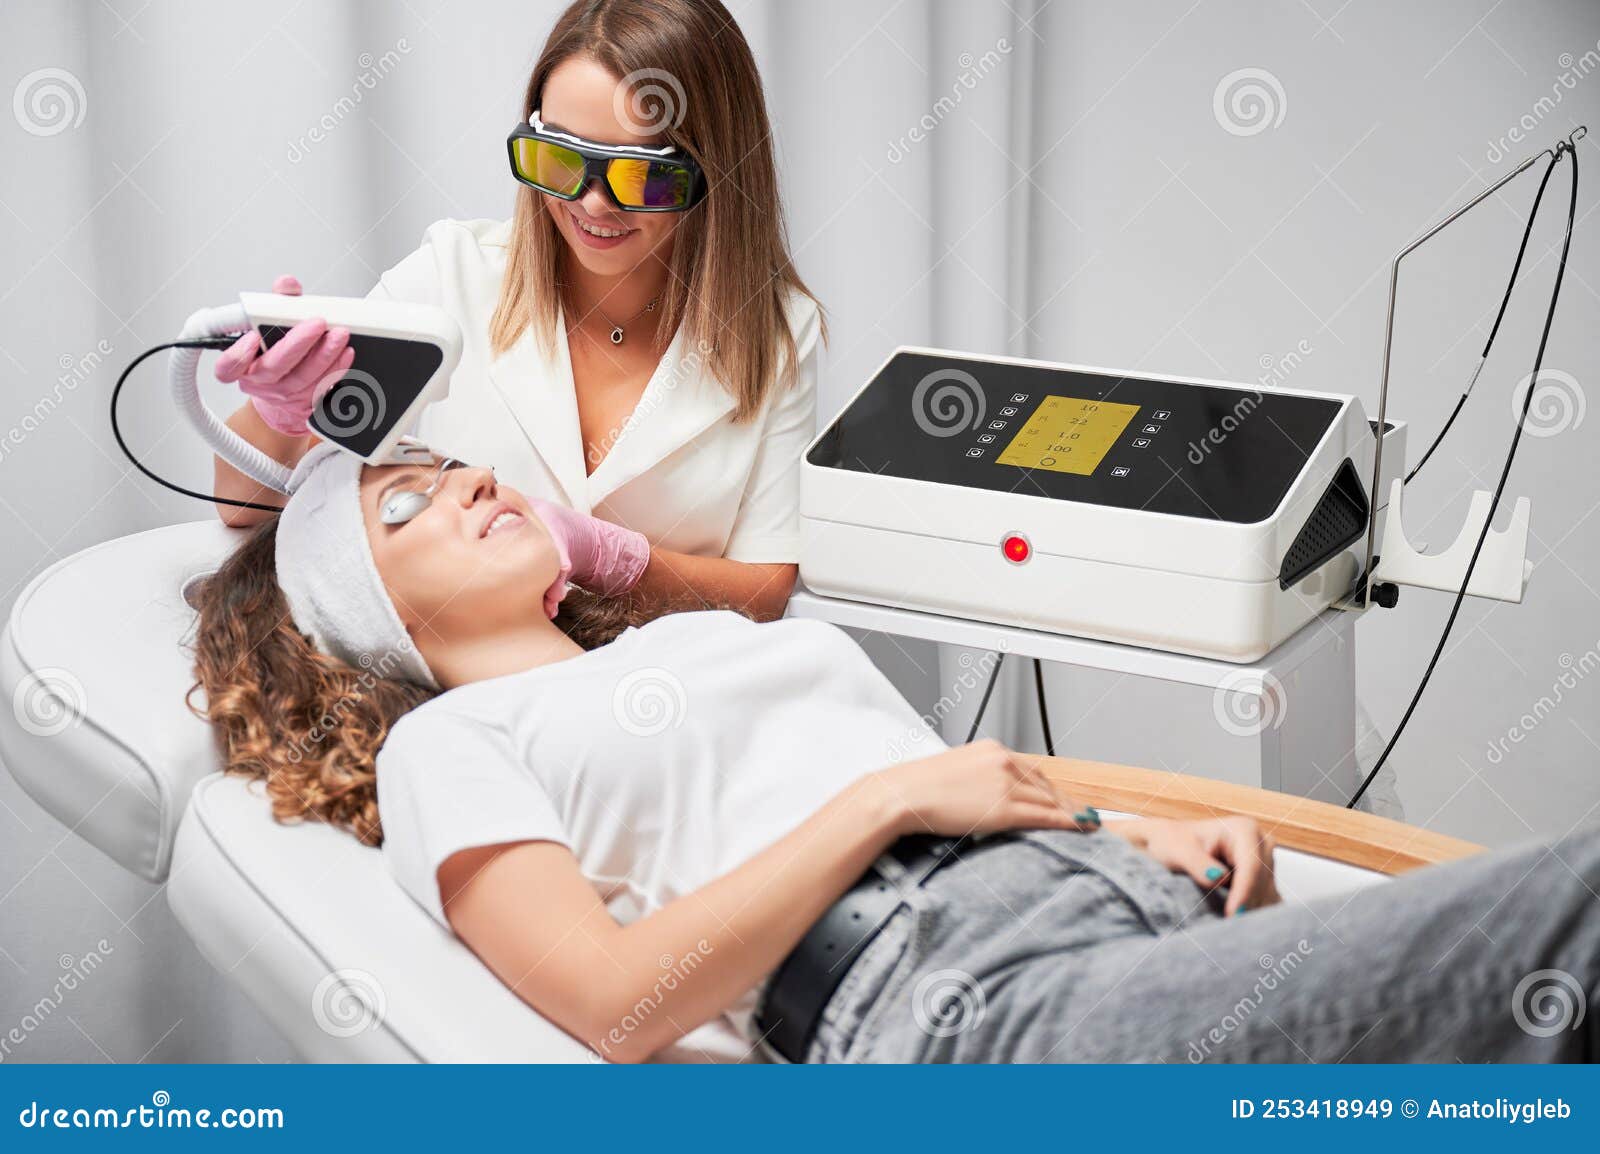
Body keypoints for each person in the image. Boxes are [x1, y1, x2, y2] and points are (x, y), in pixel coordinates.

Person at [190, 446, 1600, 1064]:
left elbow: (921, 788)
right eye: (414, 505)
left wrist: (1117, 832)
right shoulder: (455, 741)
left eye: (458, 464)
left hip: (1116, 914)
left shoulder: (696, 647)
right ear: (362, 623)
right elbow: (619, 1004)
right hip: (953, 1010)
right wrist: (892, 799)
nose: (476, 482)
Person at [209, 0, 820, 622]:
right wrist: (278, 419)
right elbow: (244, 509)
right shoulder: (451, 276)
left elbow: (766, 588)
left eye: (641, 176)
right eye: (557, 159)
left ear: (716, 170)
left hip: (663, 687)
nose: (593, 204)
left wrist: (614, 559)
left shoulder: (775, 333)